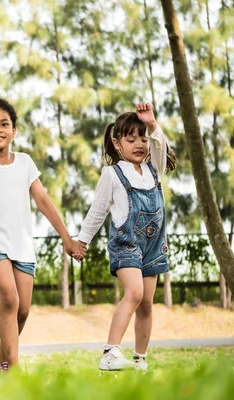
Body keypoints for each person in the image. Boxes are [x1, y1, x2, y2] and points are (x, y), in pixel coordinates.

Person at [0, 86, 84, 371]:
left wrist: (67, 238)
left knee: (22, 309)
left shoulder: (25, 163)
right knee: (9, 298)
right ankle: (14, 371)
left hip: (22, 244)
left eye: (4, 124)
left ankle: (0, 355)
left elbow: (43, 201)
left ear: (14, 131)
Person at [76, 102, 177, 371]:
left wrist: (152, 123)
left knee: (146, 304)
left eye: (143, 138)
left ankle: (140, 359)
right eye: (131, 139)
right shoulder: (112, 173)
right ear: (117, 143)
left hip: (154, 247)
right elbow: (97, 211)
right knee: (134, 292)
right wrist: (82, 240)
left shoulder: (155, 168)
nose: (140, 144)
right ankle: (110, 353)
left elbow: (161, 146)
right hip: (126, 244)